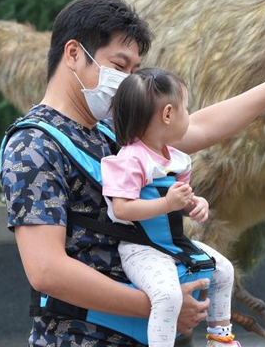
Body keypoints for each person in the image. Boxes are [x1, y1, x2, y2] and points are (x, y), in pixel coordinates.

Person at [0, 0, 265, 347]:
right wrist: (159, 305)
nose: (128, 81)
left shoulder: (113, 130)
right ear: (73, 54)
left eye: (134, 70)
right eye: (119, 66)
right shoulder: (33, 146)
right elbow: (46, 270)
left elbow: (201, 127)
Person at [102, 68, 238, 347]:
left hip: (173, 243)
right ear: (167, 114)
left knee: (223, 270)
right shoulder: (131, 160)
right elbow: (122, 209)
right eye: (186, 109)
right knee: (168, 295)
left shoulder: (176, 159)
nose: (189, 116)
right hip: (141, 249)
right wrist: (167, 203)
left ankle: (220, 338)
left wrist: (195, 204)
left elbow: (180, 200)